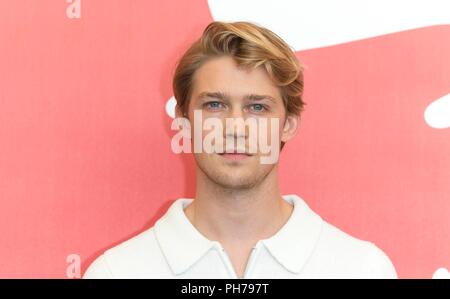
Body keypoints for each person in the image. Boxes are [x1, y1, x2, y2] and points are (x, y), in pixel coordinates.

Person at [83, 21, 397, 279]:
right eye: (215, 105)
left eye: (257, 107)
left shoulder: (362, 270)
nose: (235, 127)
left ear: (288, 124)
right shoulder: (116, 272)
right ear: (184, 123)